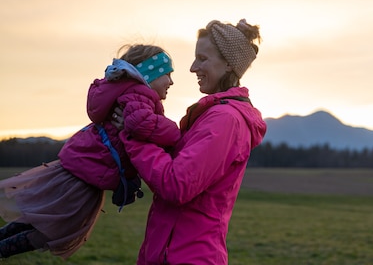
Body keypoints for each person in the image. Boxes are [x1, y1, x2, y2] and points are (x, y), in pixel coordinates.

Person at [0, 44, 180, 259]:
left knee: (43, 220)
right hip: (86, 178)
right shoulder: (138, 94)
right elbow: (140, 123)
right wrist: (176, 133)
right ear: (150, 73)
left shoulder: (130, 93)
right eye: (167, 74)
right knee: (53, 228)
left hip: (82, 171)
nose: (171, 82)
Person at [120, 19, 267, 265]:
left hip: (187, 256)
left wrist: (132, 135)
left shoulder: (225, 120)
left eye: (202, 58)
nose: (192, 67)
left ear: (229, 63)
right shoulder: (211, 115)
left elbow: (176, 185)